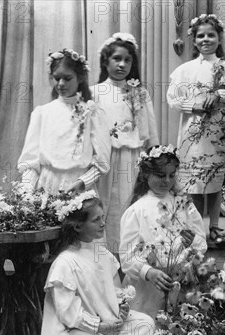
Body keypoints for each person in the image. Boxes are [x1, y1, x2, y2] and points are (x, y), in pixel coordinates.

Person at [41, 190, 154, 335]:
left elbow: (116, 291)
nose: (103, 224)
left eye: (103, 218)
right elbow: (67, 313)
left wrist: (121, 308)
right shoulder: (65, 262)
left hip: (108, 321)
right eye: (96, 220)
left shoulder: (101, 253)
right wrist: (100, 327)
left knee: (145, 324)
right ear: (77, 226)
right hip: (78, 330)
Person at [167, 14, 225, 247]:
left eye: (211, 35)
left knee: (215, 181)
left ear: (219, 37)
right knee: (193, 182)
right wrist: (192, 106)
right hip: (192, 134)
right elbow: (173, 100)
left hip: (218, 133)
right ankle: (195, 229)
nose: (206, 39)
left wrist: (220, 94)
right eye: (200, 35)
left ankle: (214, 227)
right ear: (193, 40)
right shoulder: (185, 70)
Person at [119, 145, 207, 318]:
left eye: (171, 175)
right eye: (160, 175)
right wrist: (148, 272)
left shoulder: (184, 205)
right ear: (145, 174)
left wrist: (193, 243)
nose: (167, 181)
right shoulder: (137, 211)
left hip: (181, 280)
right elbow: (127, 257)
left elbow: (201, 242)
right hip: (149, 287)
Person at [92, 33, 159, 254]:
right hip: (105, 157)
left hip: (132, 158)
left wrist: (154, 160)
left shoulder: (139, 93)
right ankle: (104, 254)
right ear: (105, 61)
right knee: (104, 203)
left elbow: (149, 131)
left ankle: (128, 254)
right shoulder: (96, 92)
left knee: (128, 203)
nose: (122, 64)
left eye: (127, 60)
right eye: (116, 59)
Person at [18, 48, 110, 194]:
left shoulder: (93, 114)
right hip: (46, 185)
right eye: (56, 78)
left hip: (79, 187)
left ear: (80, 78)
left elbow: (102, 162)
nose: (60, 83)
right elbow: (30, 161)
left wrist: (83, 182)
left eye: (67, 78)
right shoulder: (42, 113)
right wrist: (26, 192)